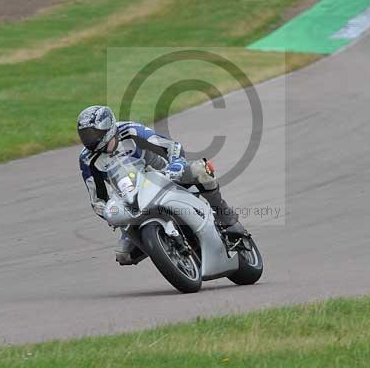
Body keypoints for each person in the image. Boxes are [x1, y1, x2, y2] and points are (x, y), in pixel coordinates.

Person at [76, 105, 249, 265]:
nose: (89, 140)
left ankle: (225, 215)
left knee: (201, 170)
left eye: (92, 133)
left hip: (164, 176)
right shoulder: (87, 159)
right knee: (123, 255)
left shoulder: (129, 131)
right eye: (84, 135)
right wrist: (109, 214)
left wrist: (176, 164)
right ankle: (167, 250)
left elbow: (171, 146)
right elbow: (97, 198)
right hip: (132, 201)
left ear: (107, 127)